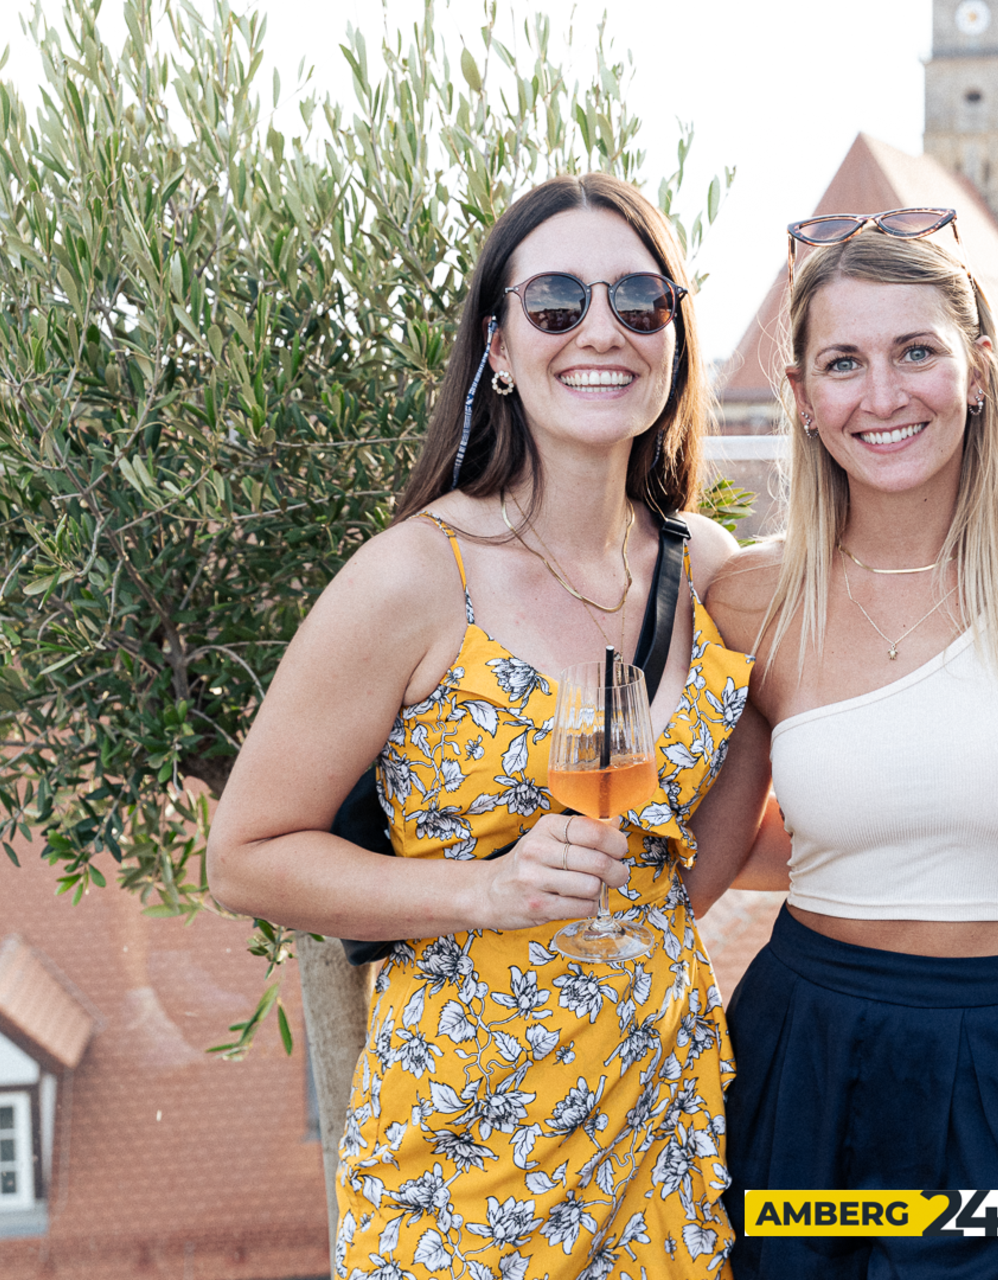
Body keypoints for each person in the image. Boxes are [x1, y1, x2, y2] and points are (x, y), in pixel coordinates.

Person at [207, 173, 770, 1279]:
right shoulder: (416, 576)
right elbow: (244, 856)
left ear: (674, 340)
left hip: (657, 1127)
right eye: (557, 302)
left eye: (639, 301)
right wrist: (488, 891)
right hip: (468, 1156)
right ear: (501, 349)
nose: (600, 329)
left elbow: (706, 841)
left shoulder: (706, 567)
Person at [699, 220, 998, 1279]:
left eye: (916, 351)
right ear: (801, 396)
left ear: (978, 369)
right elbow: (710, 855)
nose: (882, 395)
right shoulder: (753, 596)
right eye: (843, 362)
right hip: (806, 1057)